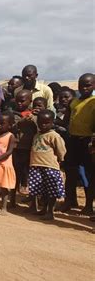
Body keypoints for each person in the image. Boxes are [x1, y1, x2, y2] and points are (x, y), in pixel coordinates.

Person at [61, 73, 95, 214]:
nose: (84, 88)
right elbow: (67, 120)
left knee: (89, 175)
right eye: (81, 85)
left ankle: (88, 205)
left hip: (88, 142)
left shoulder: (93, 102)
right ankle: (69, 201)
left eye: (88, 85)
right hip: (73, 140)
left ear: (94, 85)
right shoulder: (73, 102)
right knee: (70, 173)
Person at [28, 110, 66, 220]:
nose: (43, 125)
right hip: (36, 165)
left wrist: (61, 159)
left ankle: (50, 212)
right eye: (40, 122)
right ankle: (43, 209)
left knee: (51, 190)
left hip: (50, 166)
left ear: (52, 122)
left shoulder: (54, 136)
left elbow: (61, 150)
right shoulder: (37, 135)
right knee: (41, 190)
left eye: (46, 122)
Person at [12, 90, 37, 207]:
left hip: (30, 149)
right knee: (14, 174)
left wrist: (33, 117)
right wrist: (23, 119)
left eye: (22, 101)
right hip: (16, 148)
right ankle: (12, 199)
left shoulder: (35, 114)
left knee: (31, 175)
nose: (19, 103)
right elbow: (12, 127)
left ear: (30, 101)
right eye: (17, 101)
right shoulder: (13, 114)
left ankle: (33, 202)